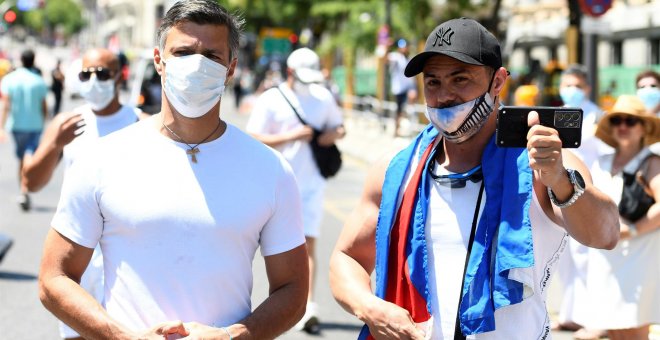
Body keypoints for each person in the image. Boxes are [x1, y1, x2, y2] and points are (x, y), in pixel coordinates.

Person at [329, 17, 619, 339]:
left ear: (498, 82)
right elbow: (346, 258)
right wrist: (370, 308)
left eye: (460, 79)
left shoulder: (542, 164)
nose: (444, 96)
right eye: (433, 82)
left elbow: (605, 234)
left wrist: (559, 180)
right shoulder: (397, 170)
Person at [38, 1, 308, 339]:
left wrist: (233, 336)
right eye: (182, 53)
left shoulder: (271, 169)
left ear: (231, 69)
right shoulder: (103, 159)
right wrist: (124, 337)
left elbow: (293, 289)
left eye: (212, 56)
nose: (196, 66)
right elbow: (54, 277)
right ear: (159, 61)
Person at [23, 48, 143, 340]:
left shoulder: (140, 122)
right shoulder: (68, 122)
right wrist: (55, 145)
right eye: (85, 74)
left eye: (101, 73)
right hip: (76, 249)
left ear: (118, 77)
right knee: (76, 332)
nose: (93, 81)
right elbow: (32, 181)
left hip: (125, 252)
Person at [246, 46, 346, 334]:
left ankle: (307, 306)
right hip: (273, 182)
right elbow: (253, 136)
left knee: (308, 243)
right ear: (289, 73)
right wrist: (290, 136)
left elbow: (339, 128)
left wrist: (330, 136)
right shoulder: (271, 99)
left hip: (312, 182)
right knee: (262, 245)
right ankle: (261, 305)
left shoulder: (323, 97)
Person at [577, 94, 660, 340]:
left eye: (630, 121)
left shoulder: (652, 162)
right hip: (604, 254)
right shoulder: (601, 162)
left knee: (633, 325)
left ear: (643, 127)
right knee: (610, 322)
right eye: (617, 121)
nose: (622, 126)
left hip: (638, 252)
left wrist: (632, 230)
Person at [553, 63, 608, 339]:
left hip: (588, 190)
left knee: (588, 255)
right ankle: (570, 314)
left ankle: (594, 318)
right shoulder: (556, 115)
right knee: (562, 254)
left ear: (586, 88)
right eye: (567, 85)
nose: (572, 91)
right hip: (560, 190)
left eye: (577, 85)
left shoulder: (598, 116)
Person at [0, 49, 48, 211]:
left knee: (22, 157)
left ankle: (23, 189)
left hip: (16, 126)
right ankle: (24, 189)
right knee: (29, 153)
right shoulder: (38, 81)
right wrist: (46, 122)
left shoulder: (10, 79)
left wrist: (1, 126)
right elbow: (44, 106)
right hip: (35, 125)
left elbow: (6, 105)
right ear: (34, 61)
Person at [388, 38, 418, 137]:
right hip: (398, 89)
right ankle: (396, 130)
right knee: (399, 110)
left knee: (411, 103)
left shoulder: (409, 58)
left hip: (408, 87)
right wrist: (387, 46)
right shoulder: (395, 57)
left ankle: (411, 126)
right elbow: (385, 59)